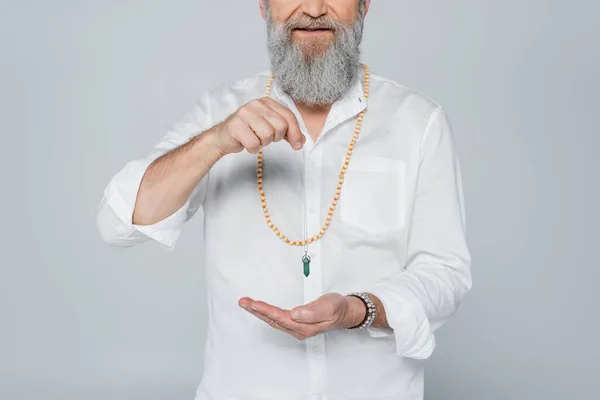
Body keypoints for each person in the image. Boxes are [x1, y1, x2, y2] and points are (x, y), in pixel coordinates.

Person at [96, 0, 472, 399]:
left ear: (364, 5)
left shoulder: (418, 122)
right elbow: (118, 224)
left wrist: (357, 310)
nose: (312, 8)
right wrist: (215, 142)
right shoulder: (220, 112)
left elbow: (446, 271)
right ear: (264, 6)